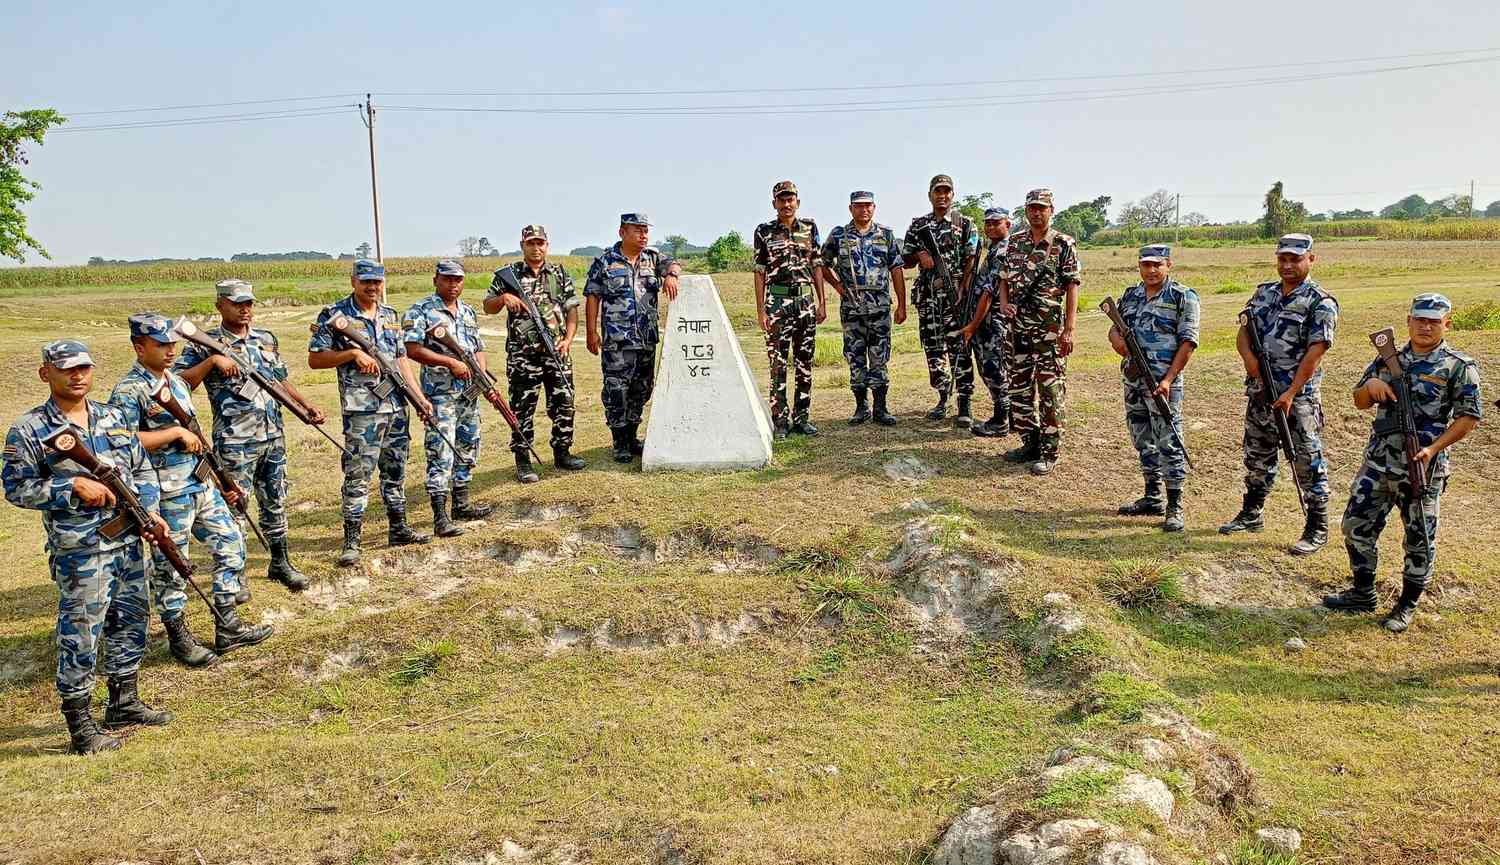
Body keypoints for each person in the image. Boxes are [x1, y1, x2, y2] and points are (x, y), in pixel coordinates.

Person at [3, 340, 174, 754]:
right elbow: (15, 487)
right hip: (83, 550)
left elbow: (142, 469)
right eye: (66, 369)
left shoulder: (111, 417)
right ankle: (80, 725)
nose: (77, 376)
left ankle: (124, 701)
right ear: (46, 373)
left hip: (128, 539)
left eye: (83, 368)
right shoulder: (29, 429)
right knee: (82, 631)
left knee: (132, 619)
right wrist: (70, 486)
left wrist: (150, 512)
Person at [109, 313, 271, 665]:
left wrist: (219, 481)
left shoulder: (177, 382)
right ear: (139, 347)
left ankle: (227, 626)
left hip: (199, 483)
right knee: (173, 566)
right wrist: (172, 434)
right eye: (160, 344)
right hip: (165, 492)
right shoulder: (129, 390)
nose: (170, 350)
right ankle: (178, 635)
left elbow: (196, 438)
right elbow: (118, 440)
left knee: (231, 542)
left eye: (172, 344)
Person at [1324, 293, 1482, 632]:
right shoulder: (1388, 358)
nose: (1426, 326)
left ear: (1446, 324)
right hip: (1378, 464)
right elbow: (1359, 401)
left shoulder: (1459, 366)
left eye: (1434, 321)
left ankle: (1406, 604)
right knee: (1354, 526)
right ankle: (1362, 592)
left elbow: (1468, 418)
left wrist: (1433, 449)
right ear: (1408, 321)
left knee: (1420, 538)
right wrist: (1372, 384)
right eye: (1420, 319)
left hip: (1423, 467)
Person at [175, 278, 322, 593]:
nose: (244, 309)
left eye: (249, 303)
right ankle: (235, 572)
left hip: (273, 436)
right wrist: (212, 361)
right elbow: (177, 385)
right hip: (235, 441)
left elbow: (279, 381)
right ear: (220, 306)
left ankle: (280, 563)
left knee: (276, 500)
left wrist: (306, 405)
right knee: (235, 505)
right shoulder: (204, 343)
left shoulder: (265, 339)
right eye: (237, 303)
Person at [1219, 234, 1340, 555]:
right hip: (1260, 391)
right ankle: (1252, 513)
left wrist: (1290, 392)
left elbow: (1315, 352)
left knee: (1306, 459)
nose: (1287, 265)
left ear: (1310, 259)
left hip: (1297, 399)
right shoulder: (1263, 294)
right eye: (1283, 259)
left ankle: (1317, 525)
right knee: (1257, 455)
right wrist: (1250, 362)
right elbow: (1244, 331)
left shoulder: (1320, 302)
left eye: (1295, 259)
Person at [310, 259, 432, 566]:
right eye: (366, 281)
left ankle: (399, 528)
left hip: (396, 406)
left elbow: (402, 360)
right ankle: (352, 540)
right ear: (353, 281)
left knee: (396, 470)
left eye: (377, 282)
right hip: (362, 410)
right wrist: (351, 353)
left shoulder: (390, 315)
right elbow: (315, 359)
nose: (372, 287)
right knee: (358, 475)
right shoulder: (335, 316)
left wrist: (418, 396)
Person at [1106, 245, 1200, 532]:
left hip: (1162, 382)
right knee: (1142, 437)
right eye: (1146, 265)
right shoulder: (1131, 295)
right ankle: (1152, 496)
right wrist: (1118, 343)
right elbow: (1114, 327)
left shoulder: (1182, 296)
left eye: (1157, 265)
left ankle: (1174, 505)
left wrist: (1169, 379)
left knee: (1169, 439)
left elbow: (1188, 342)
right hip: (1133, 379)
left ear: (1168, 264)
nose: (1151, 270)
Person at [402, 259, 495, 537]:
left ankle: (462, 502)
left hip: (468, 393)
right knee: (441, 450)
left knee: (469, 442)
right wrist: (450, 362)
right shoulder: (421, 310)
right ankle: (440, 516)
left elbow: (477, 346)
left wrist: (480, 371)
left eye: (458, 280)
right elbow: (412, 349)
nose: (453, 284)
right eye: (447, 279)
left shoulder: (467, 311)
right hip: (440, 394)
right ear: (436, 280)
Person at [484, 225, 585, 478]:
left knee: (564, 403)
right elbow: (488, 307)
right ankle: (523, 460)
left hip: (557, 352)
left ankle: (562, 453)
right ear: (522, 246)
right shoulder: (510, 275)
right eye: (531, 243)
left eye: (540, 243)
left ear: (547, 246)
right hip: (523, 356)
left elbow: (572, 309)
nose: (536, 247)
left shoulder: (559, 273)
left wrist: (568, 340)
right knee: (522, 408)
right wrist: (503, 298)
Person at [584, 214, 682, 462]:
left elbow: (675, 264)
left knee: (642, 390)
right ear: (622, 233)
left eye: (645, 230)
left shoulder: (652, 258)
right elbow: (592, 296)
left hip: (646, 339)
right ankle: (619, 443)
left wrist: (671, 275)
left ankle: (631, 436)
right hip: (617, 342)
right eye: (637, 230)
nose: (643, 235)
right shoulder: (605, 261)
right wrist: (591, 332)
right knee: (617, 391)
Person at [1001, 189, 1081, 475]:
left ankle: (1050, 450)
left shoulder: (1062, 244)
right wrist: (1004, 302)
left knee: (1049, 389)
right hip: (1018, 328)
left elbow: (1072, 286)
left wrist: (1069, 329)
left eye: (1041, 208)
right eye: (1032, 208)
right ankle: (1029, 442)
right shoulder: (1015, 242)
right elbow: (1004, 278)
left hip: (1049, 329)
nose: (1036, 212)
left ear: (1051, 210)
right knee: (1019, 387)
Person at [819, 191, 906, 426]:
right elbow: (820, 263)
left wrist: (902, 305)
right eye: (858, 206)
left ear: (874, 207)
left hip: (880, 310)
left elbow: (896, 270)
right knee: (856, 359)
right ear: (850, 209)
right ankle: (861, 407)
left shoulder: (886, 235)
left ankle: (880, 408)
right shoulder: (839, 235)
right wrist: (837, 284)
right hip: (852, 311)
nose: (863, 210)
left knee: (879, 360)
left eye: (867, 205)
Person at [903, 175, 979, 426]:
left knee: (961, 349)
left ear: (953, 195)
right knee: (933, 349)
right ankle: (943, 397)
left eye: (947, 191)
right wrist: (920, 253)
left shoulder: (964, 223)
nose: (942, 196)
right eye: (938, 191)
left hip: (955, 296)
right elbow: (906, 259)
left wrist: (963, 288)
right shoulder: (918, 225)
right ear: (930, 195)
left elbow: (972, 258)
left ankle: (964, 403)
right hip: (929, 297)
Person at [754, 180, 827, 438]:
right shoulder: (764, 231)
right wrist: (761, 310)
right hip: (777, 304)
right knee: (778, 364)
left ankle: (802, 418)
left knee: (805, 362)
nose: (787, 204)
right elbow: (760, 272)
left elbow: (817, 265)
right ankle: (781, 421)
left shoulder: (809, 228)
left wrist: (822, 301)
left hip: (805, 303)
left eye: (791, 199)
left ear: (797, 201)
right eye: (782, 199)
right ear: (774, 203)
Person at [959, 206, 1014, 437]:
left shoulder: (1002, 252)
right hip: (987, 320)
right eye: (988, 223)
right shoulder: (992, 249)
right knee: (995, 368)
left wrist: (972, 325)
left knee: (993, 369)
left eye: (996, 223)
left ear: (1007, 225)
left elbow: (988, 294)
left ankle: (1001, 420)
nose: (991, 227)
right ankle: (1009, 417)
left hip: (992, 323)